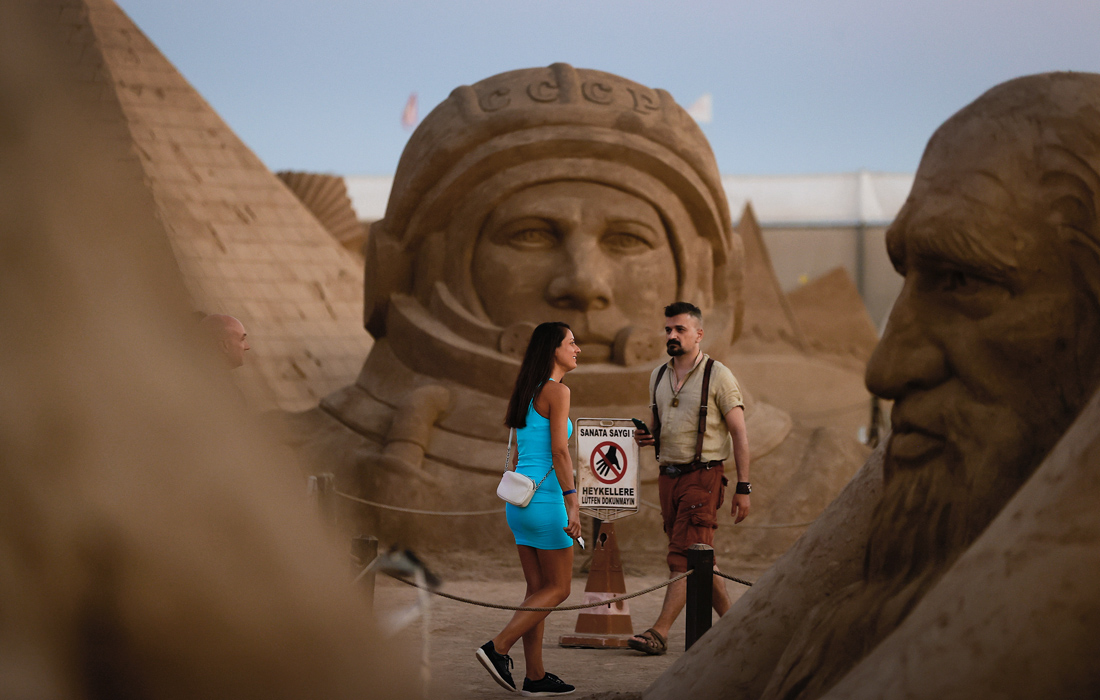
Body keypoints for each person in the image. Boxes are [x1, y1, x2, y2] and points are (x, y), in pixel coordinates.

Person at [627, 301, 751, 656]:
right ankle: (736, 629)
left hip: (704, 476)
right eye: (668, 329)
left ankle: (660, 633)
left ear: (698, 334)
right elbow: (658, 425)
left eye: (680, 329)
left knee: (682, 558)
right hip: (669, 477)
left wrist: (744, 486)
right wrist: (648, 435)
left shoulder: (719, 375)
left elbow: (740, 434)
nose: (672, 335)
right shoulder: (658, 376)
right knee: (701, 558)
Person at [476, 321, 583, 696]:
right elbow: (559, 450)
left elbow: (523, 452)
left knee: (537, 590)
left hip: (519, 501)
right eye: (571, 342)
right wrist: (573, 503)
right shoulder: (557, 391)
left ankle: (535, 676)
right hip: (547, 501)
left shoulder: (528, 390)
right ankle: (498, 647)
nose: (578, 348)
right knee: (560, 588)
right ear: (553, 348)